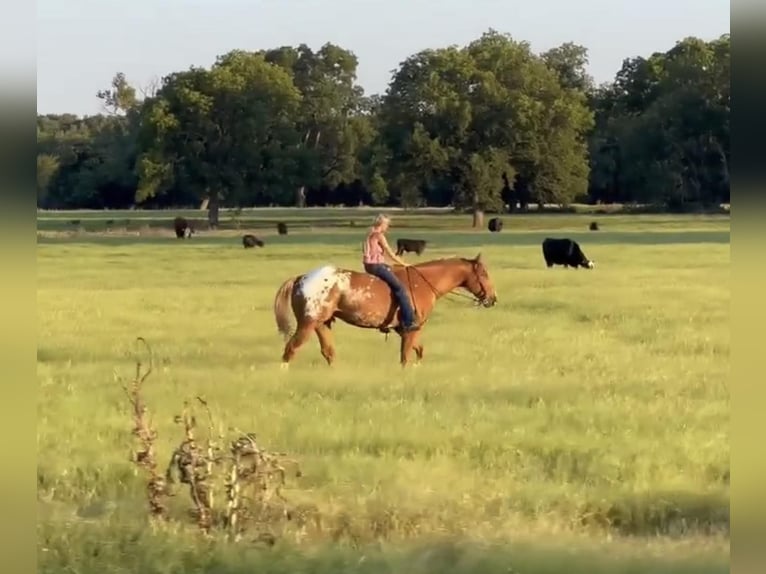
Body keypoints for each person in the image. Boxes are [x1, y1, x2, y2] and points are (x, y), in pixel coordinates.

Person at [362, 214, 419, 332]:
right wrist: (404, 264)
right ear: (382, 224)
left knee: (390, 279)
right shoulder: (379, 236)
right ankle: (409, 321)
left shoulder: (369, 233)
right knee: (400, 288)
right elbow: (390, 253)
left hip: (369, 266)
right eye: (387, 224)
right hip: (376, 266)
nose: (388, 227)